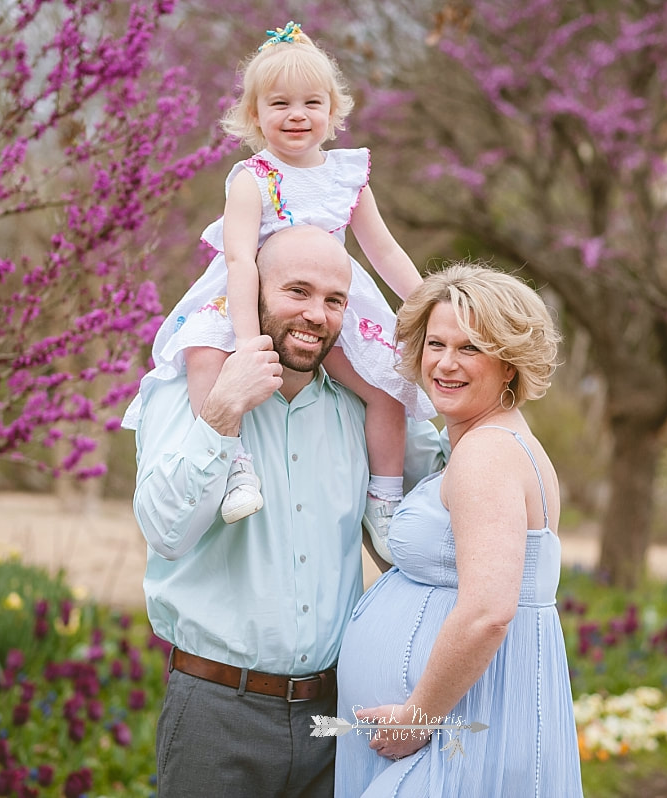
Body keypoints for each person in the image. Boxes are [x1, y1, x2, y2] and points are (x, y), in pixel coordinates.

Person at [126, 225, 446, 797]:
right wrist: (224, 412)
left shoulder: (366, 409)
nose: (316, 315)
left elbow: (446, 495)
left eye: (334, 300)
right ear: (251, 292)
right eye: (297, 291)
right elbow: (165, 530)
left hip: (335, 716)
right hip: (218, 714)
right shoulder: (185, 393)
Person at [122, 21, 431, 563]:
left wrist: (431, 305)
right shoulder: (253, 178)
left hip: (330, 301)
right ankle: (235, 464)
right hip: (253, 297)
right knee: (203, 354)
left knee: (388, 386)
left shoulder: (347, 178)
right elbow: (240, 258)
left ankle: (384, 499)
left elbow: (383, 252)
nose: (296, 115)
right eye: (280, 103)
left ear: (332, 113)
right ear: (253, 115)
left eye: (312, 102)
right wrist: (246, 341)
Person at [334, 263, 584, 797]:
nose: (445, 364)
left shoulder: (487, 455)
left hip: (456, 730)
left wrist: (417, 718)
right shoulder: (489, 440)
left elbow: (488, 613)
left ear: (510, 364)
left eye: (470, 348)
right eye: (435, 344)